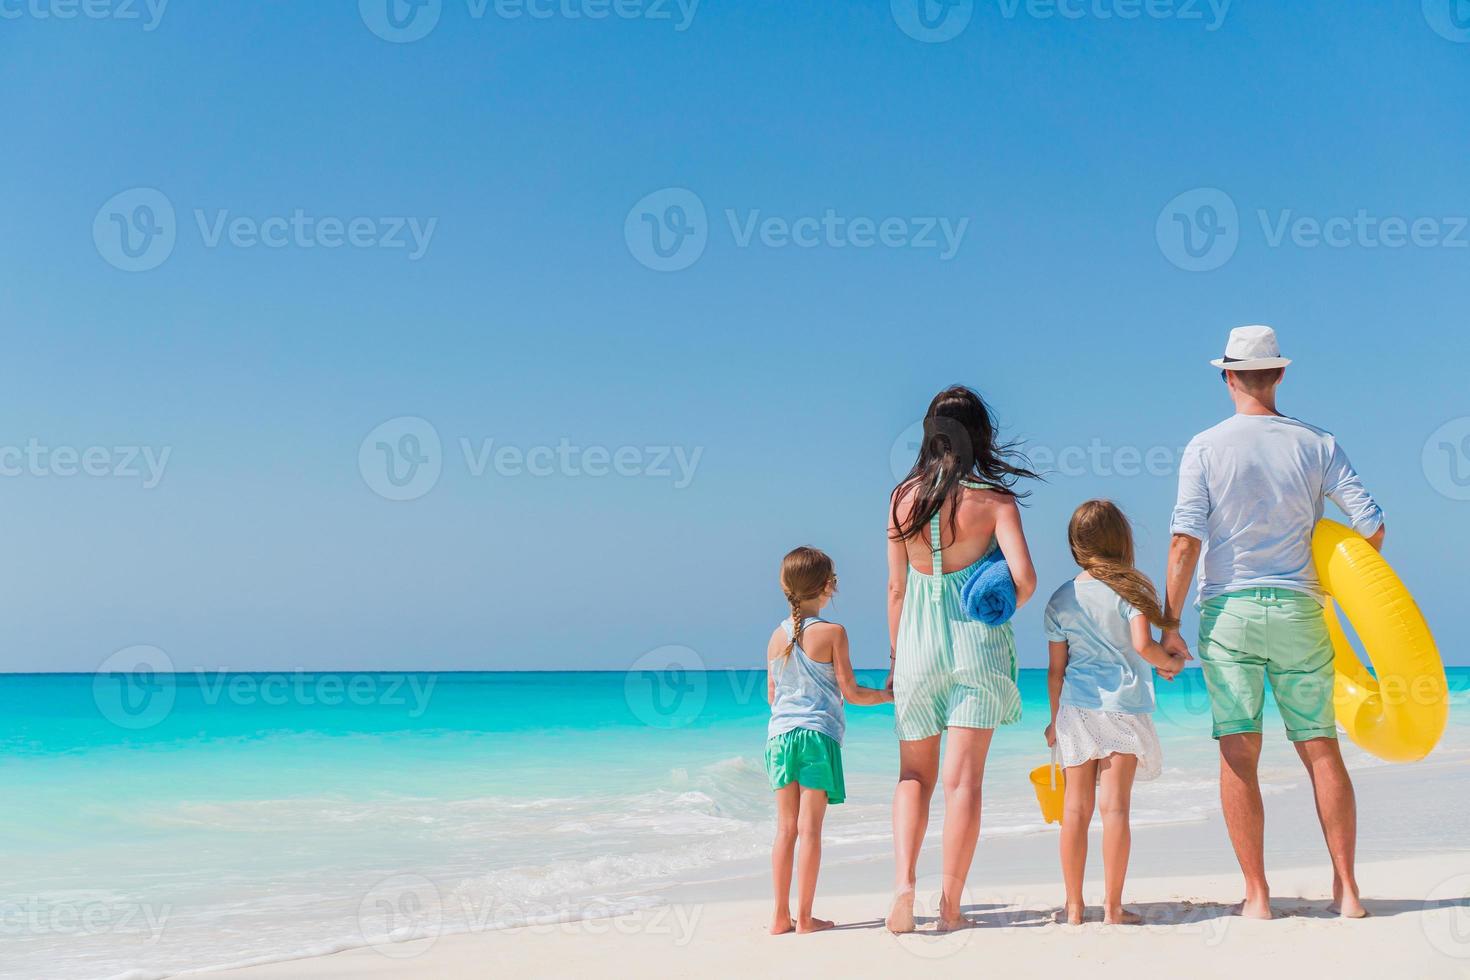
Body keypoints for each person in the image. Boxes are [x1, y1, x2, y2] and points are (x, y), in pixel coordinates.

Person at [1161, 325, 1385, 920]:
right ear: (1280, 374)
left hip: (1228, 612)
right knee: (1320, 747)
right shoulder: (1318, 443)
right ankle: (1349, 892)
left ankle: (1257, 896)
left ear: (1227, 377)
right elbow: (1372, 527)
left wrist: (1168, 622)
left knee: (1239, 750)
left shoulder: (1204, 447)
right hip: (1299, 610)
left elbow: (1185, 540)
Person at [884, 386, 1039, 933]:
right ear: (980, 435)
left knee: (913, 776)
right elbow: (1025, 581)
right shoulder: (995, 501)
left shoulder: (902, 499)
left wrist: (900, 658)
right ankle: (950, 907)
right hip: (977, 644)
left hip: (918, 649)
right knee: (963, 781)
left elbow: (897, 591)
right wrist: (989, 599)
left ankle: (904, 883)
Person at [1043, 500, 1188, 925]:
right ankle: (1112, 908)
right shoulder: (1132, 589)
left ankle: (1073, 908)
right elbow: (1144, 646)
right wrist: (1171, 663)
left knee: (1074, 810)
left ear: (1075, 544)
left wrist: (1054, 721)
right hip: (1123, 709)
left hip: (1076, 710)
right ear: (1120, 540)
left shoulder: (1060, 598)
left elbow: (1056, 671)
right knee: (1116, 810)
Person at [765, 546, 892, 935]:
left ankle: (779, 917)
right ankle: (805, 918)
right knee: (811, 830)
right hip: (817, 736)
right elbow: (851, 693)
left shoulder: (775, 637)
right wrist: (890, 695)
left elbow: (772, 697)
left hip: (779, 737)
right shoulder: (833, 633)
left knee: (785, 829)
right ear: (828, 586)